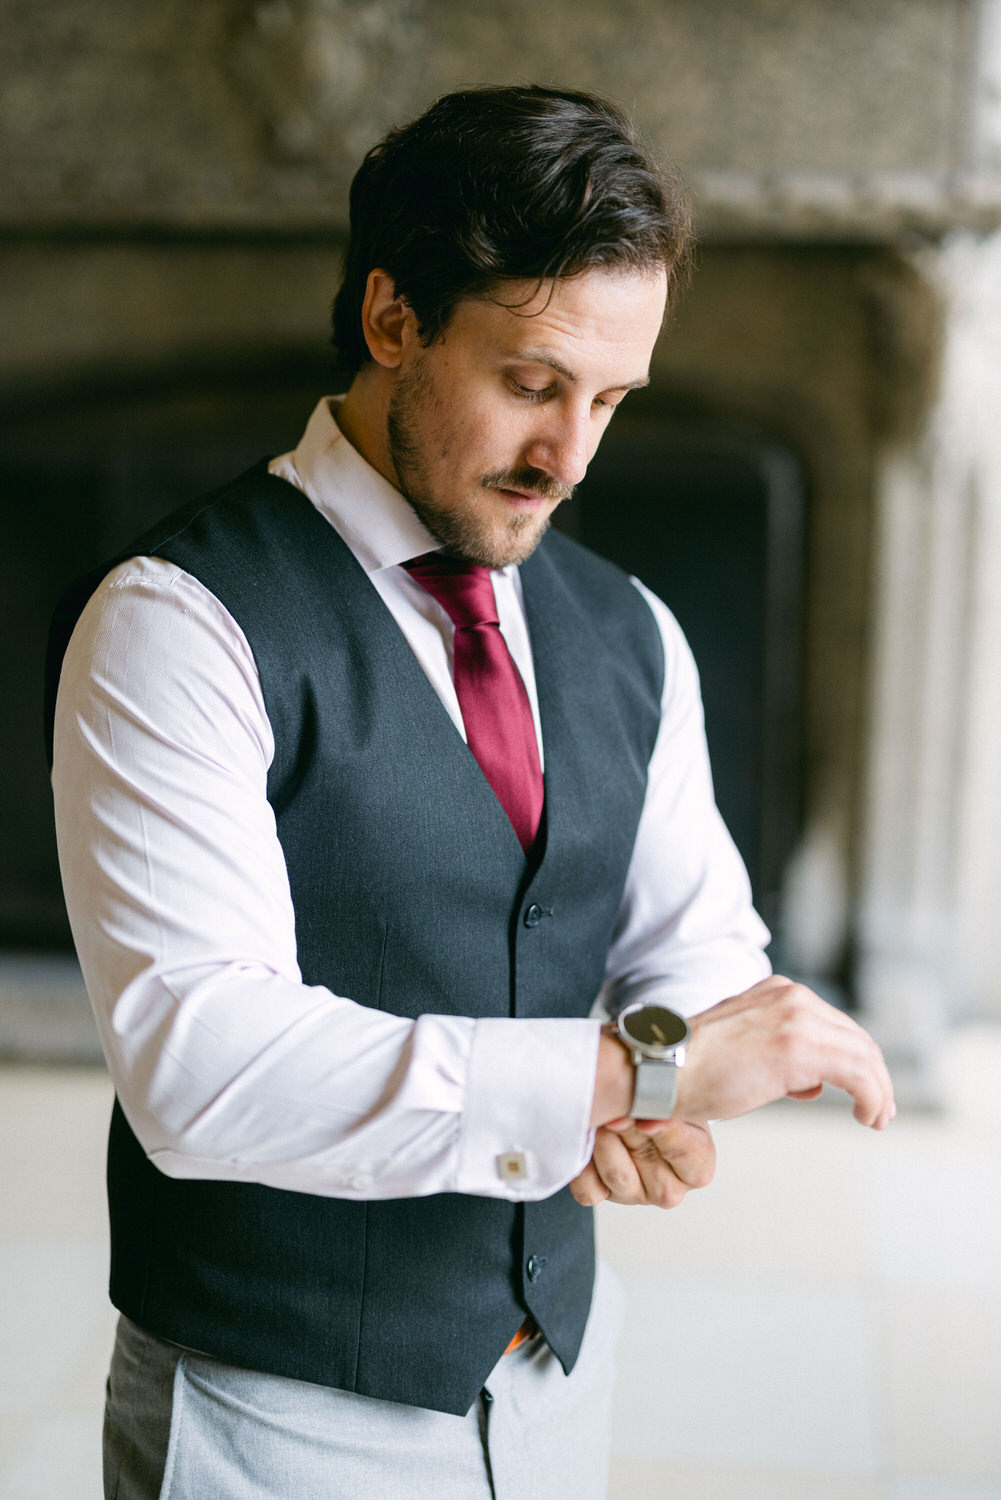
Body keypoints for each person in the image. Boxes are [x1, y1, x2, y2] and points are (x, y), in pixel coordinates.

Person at [48, 85, 894, 1500]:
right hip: (275, 1416)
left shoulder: (630, 625)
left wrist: (660, 1079)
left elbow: (688, 944)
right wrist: (626, 1075)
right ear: (393, 321)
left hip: (554, 1377)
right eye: (532, 382)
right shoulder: (176, 620)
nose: (570, 457)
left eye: (612, 399)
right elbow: (201, 1064)